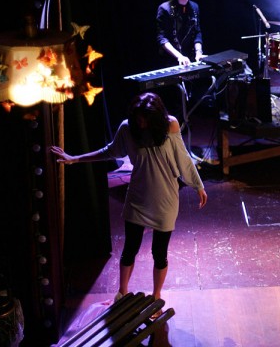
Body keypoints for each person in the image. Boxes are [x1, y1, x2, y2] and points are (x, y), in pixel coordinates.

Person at [51, 92, 208, 303]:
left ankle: (156, 296)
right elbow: (109, 152)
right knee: (129, 249)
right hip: (138, 197)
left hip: (165, 199)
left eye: (145, 118)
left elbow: (184, 158)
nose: (140, 122)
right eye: (138, 118)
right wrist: (75, 159)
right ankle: (122, 293)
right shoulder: (127, 128)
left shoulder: (170, 125)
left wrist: (198, 185)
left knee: (159, 253)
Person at [157, 0, 204, 66]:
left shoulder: (194, 7)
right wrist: (179, 56)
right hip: (171, 60)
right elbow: (162, 38)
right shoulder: (165, 8)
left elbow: (197, 32)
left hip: (190, 59)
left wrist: (199, 53)